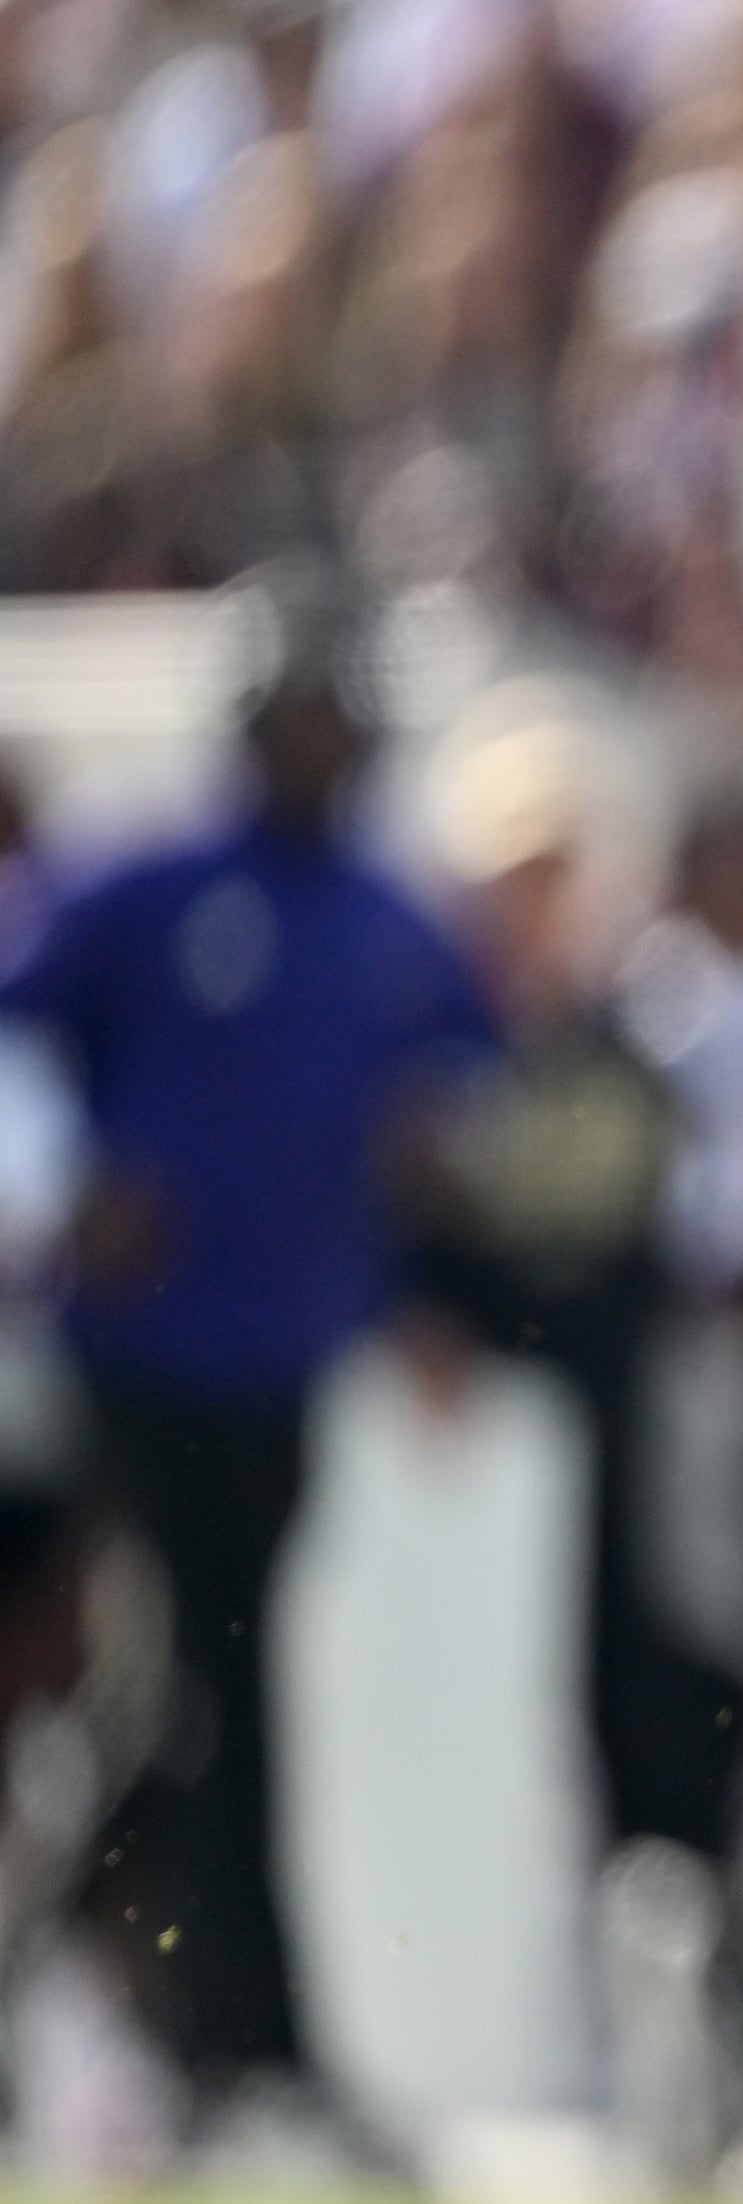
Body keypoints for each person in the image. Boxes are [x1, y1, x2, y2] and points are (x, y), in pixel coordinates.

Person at [0, 609, 499, 2108]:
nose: (315, 745)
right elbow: (16, 1036)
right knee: (186, 1686)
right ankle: (215, 2023)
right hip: (136, 1353)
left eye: (335, 720)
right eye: (295, 716)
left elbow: (479, 1094)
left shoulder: (388, 918)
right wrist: (59, 1183)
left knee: (212, 1694)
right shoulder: (143, 885)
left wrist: (441, 1194)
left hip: (286, 1360)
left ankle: (174, 2007)